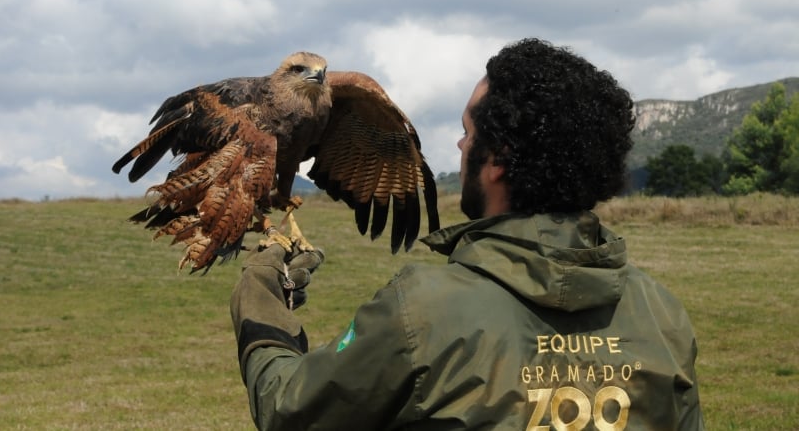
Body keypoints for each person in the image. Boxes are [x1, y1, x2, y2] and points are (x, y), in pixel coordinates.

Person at [230, 38, 705, 430]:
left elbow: (289, 410)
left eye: (467, 132)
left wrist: (261, 297)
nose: (459, 145)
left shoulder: (422, 312)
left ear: (497, 160)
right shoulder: (661, 314)